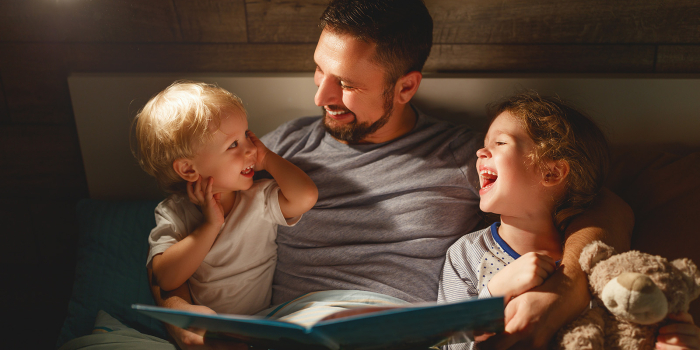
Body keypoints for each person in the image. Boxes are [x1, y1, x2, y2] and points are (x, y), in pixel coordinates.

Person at [148, 1, 634, 349]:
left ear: (405, 87)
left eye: (348, 84)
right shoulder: (278, 151)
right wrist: (174, 307)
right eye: (319, 70)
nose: (321, 96)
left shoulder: (471, 156)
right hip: (294, 328)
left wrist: (567, 287)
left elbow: (607, 206)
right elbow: (190, 227)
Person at [438, 92, 700, 350]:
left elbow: (617, 336)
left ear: (552, 172)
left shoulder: (598, 263)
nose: (481, 151)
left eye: (500, 143)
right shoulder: (466, 255)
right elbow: (446, 342)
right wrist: (494, 295)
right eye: (485, 142)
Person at [135, 81, 318, 316]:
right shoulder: (174, 212)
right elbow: (165, 279)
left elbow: (306, 196)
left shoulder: (257, 198)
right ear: (189, 170)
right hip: (210, 329)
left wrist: (268, 158)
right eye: (233, 144)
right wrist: (211, 226)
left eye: (246, 136)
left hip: (262, 320)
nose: (250, 149)